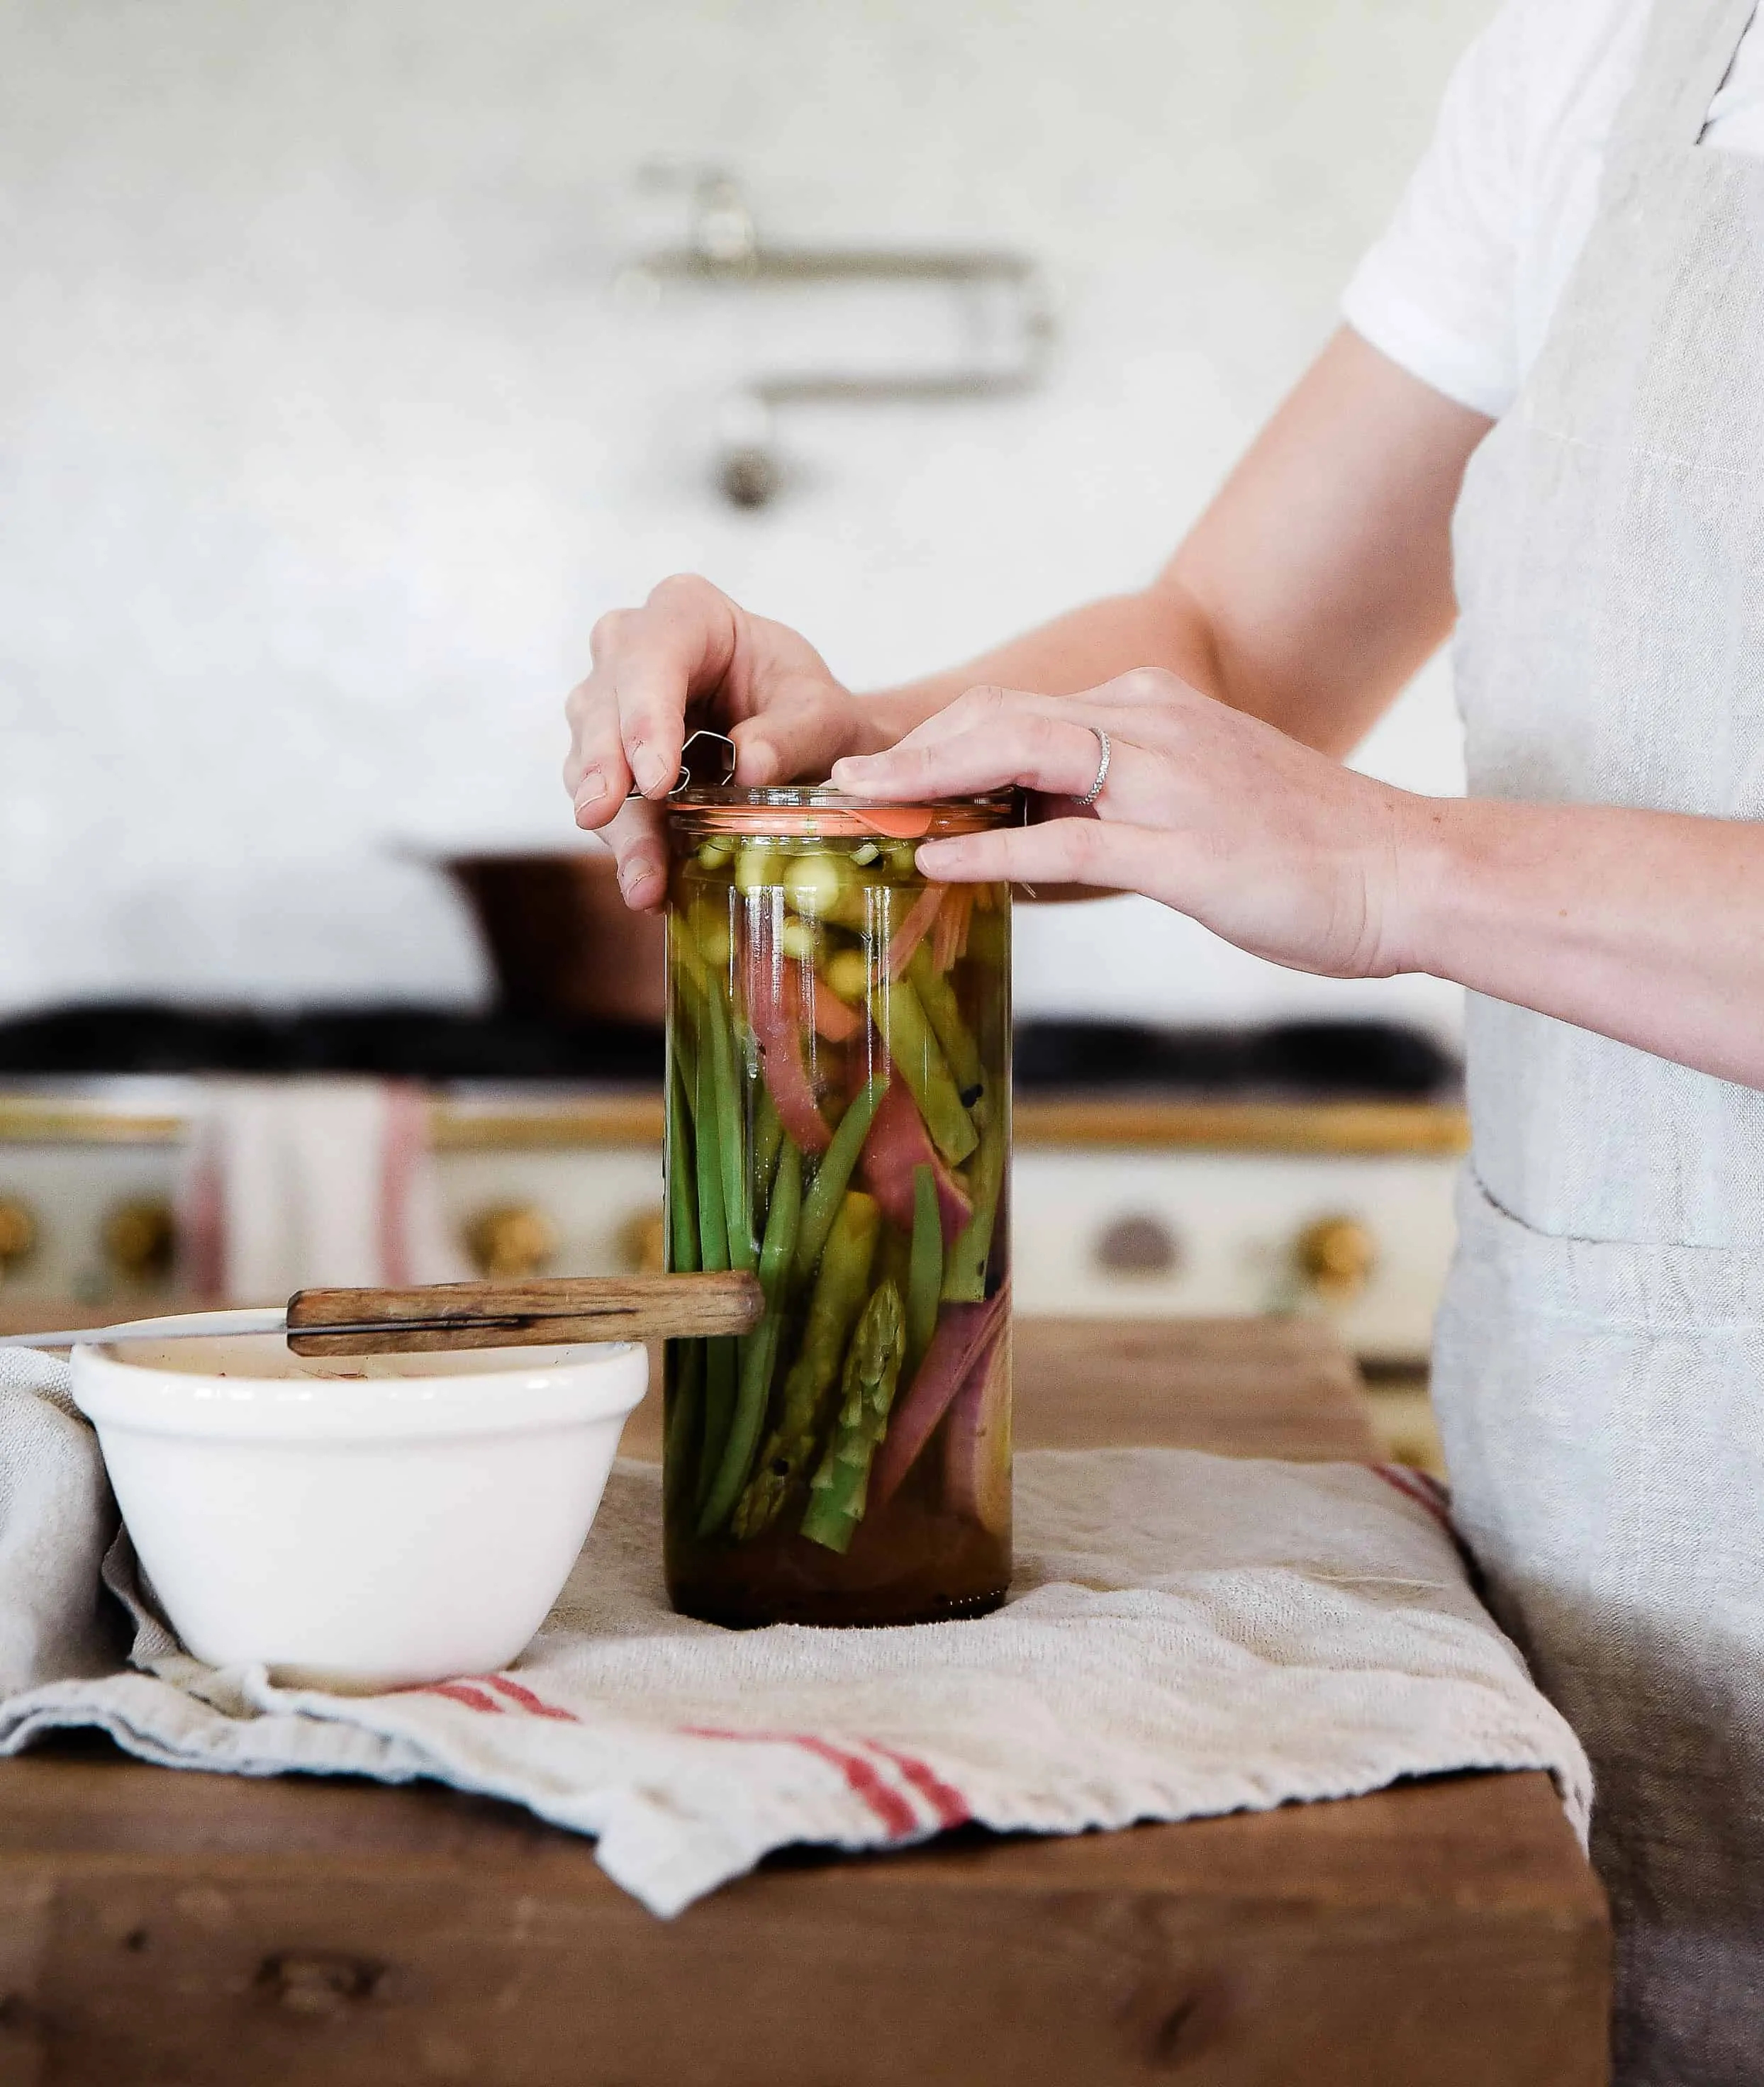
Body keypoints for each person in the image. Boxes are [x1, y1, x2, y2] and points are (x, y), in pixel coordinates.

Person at [562, 0, 1764, 2076]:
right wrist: (853, 757)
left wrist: (1396, 873)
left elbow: (1342, 821)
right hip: (1597, 1631)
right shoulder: (1605, 52)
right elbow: (1228, 648)